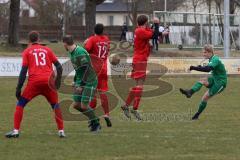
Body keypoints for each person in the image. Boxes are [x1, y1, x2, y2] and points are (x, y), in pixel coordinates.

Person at [5, 31, 65, 138]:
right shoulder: (47, 50)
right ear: (39, 39)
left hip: (35, 83)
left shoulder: (27, 51)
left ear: (29, 41)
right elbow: (59, 67)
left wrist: (18, 89)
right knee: (55, 105)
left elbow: (23, 72)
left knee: (21, 104)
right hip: (49, 82)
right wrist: (58, 82)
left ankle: (15, 131)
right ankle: (61, 131)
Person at [63, 35, 101, 132]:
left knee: (84, 106)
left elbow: (86, 69)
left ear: (65, 44)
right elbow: (79, 69)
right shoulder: (72, 53)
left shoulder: (79, 52)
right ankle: (94, 119)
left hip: (90, 80)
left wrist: (81, 85)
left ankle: (96, 123)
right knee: (76, 105)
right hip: (81, 80)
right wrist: (76, 81)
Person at [180, 44, 227, 120]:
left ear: (210, 52)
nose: (203, 54)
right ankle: (190, 92)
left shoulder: (215, 59)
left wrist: (194, 68)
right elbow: (207, 68)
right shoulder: (212, 59)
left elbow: (208, 69)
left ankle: (196, 115)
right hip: (214, 78)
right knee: (202, 80)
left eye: (205, 52)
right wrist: (199, 67)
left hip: (220, 82)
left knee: (204, 98)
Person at [121, 15, 153, 120]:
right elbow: (153, 34)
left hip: (140, 59)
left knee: (139, 85)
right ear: (145, 22)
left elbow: (149, 34)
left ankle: (126, 106)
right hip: (140, 60)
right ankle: (134, 108)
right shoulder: (140, 31)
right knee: (140, 85)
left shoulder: (140, 30)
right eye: (147, 22)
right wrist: (155, 26)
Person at [84, 23, 112, 127]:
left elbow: (86, 50)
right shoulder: (106, 39)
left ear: (94, 30)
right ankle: (107, 114)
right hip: (104, 68)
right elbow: (107, 49)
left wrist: (85, 43)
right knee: (103, 92)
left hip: (93, 69)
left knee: (92, 93)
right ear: (103, 31)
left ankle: (92, 117)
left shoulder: (92, 39)